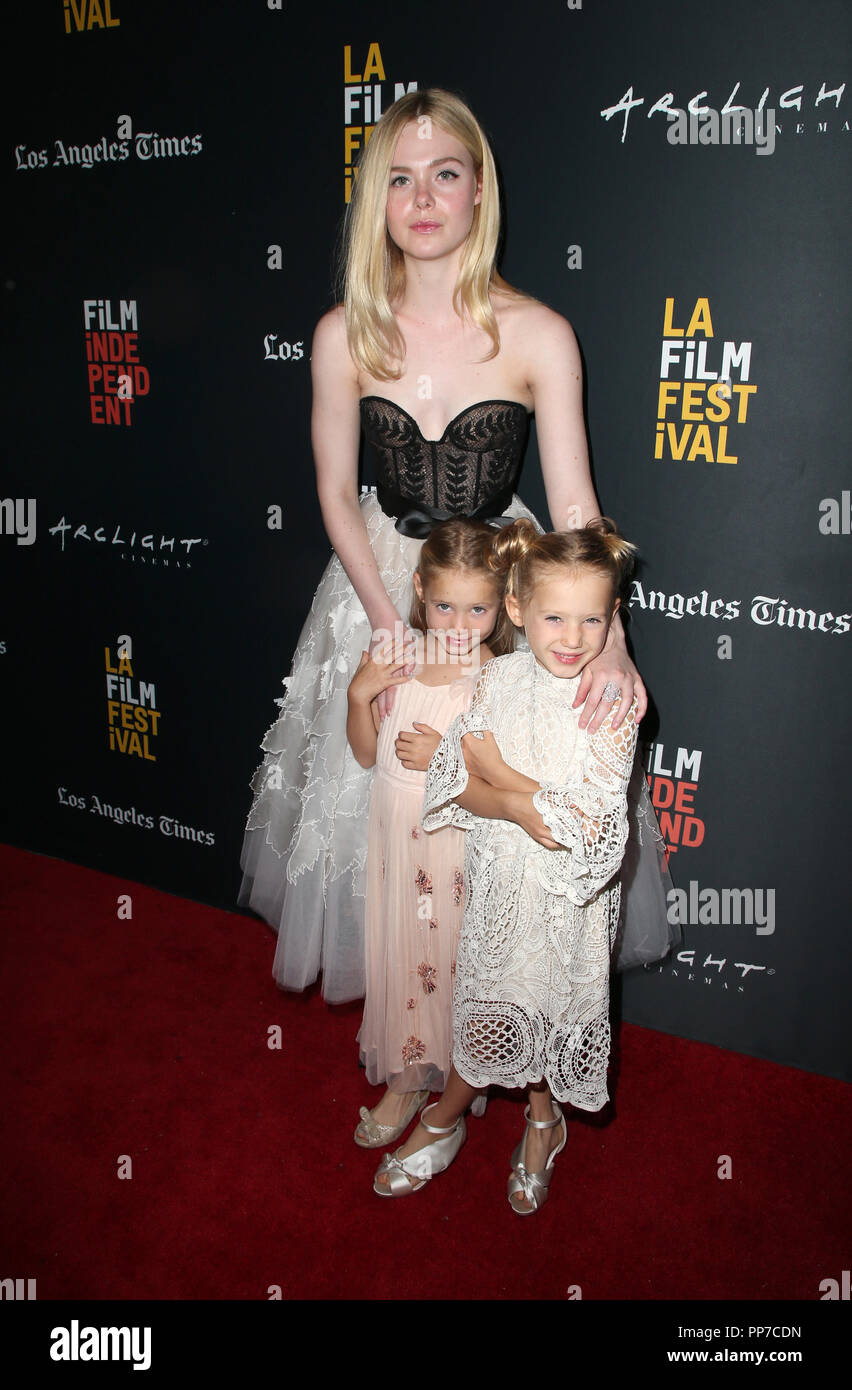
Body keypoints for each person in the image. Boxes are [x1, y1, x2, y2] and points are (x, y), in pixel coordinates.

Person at [238, 87, 669, 1004]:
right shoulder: (341, 335)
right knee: (387, 806)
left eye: (445, 174)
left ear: (480, 191)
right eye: (399, 178)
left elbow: (576, 509)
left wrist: (615, 643)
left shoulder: (539, 333)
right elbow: (332, 492)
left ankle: (487, 1033)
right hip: (382, 586)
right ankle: (416, 1035)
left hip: (503, 588)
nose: (423, 199)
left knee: (496, 820)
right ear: (375, 201)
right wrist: (395, 625)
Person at [373, 519, 641, 1209]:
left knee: (547, 1008)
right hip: (498, 890)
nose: (572, 638)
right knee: (491, 1005)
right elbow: (453, 785)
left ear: (613, 621)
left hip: (566, 908)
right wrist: (510, 797)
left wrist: (502, 781)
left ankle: (537, 1123)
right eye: (554, 616)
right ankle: (477, 1120)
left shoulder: (608, 706)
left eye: (591, 619)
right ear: (518, 609)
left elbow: (592, 835)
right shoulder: (495, 679)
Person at [347, 518, 515, 1147]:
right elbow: (368, 756)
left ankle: (447, 1077)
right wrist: (356, 698)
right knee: (401, 948)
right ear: (419, 590)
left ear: (502, 607)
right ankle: (406, 1072)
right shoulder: (398, 657)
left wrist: (448, 755)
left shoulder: (497, 678)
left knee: (442, 959)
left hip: (450, 845)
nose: (459, 625)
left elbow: (502, 780)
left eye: (478, 609)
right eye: (444, 605)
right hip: (394, 836)